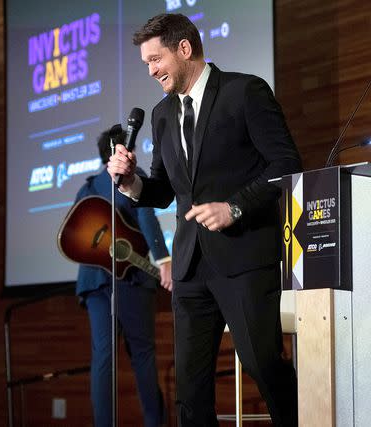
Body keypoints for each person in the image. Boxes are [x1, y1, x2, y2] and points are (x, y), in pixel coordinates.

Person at [107, 14, 302, 426]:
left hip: (244, 260)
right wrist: (130, 182)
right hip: (190, 266)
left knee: (263, 366)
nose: (151, 70)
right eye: (145, 64)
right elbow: (162, 189)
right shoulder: (161, 115)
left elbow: (285, 164)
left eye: (155, 59)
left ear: (184, 49)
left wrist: (233, 206)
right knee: (191, 392)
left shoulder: (244, 91)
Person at [75, 128, 173, 427]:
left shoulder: (88, 187)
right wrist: (165, 260)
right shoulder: (133, 175)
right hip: (131, 280)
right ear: (122, 150)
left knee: (103, 356)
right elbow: (146, 216)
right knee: (142, 354)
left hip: (94, 282)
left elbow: (76, 234)